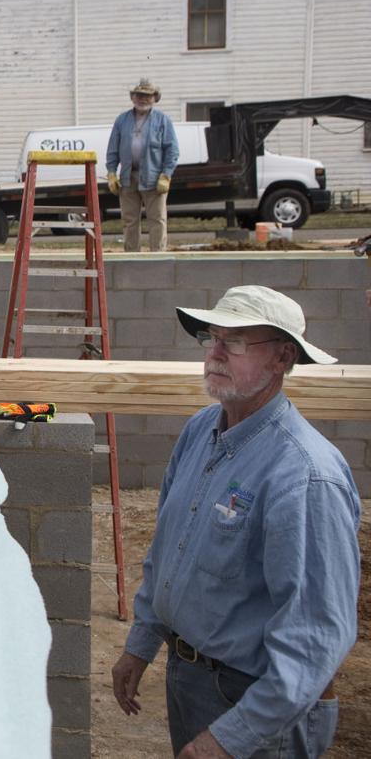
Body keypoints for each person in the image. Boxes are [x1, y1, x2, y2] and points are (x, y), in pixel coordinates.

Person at [111, 285, 360, 758]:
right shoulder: (201, 431)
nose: (216, 353)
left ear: (283, 357)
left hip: (258, 702)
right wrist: (142, 642)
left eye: (238, 341)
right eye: (212, 337)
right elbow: (169, 550)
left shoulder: (304, 476)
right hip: (191, 676)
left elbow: (315, 639)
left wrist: (229, 739)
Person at [106, 78, 180, 253]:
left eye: (148, 96)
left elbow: (172, 150)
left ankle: (158, 256)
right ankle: (132, 256)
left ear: (155, 98)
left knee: (157, 219)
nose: (143, 99)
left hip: (154, 178)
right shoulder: (122, 120)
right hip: (127, 177)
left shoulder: (163, 120)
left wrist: (166, 175)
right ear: (132, 97)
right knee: (129, 220)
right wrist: (111, 173)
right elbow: (113, 149)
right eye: (139, 95)